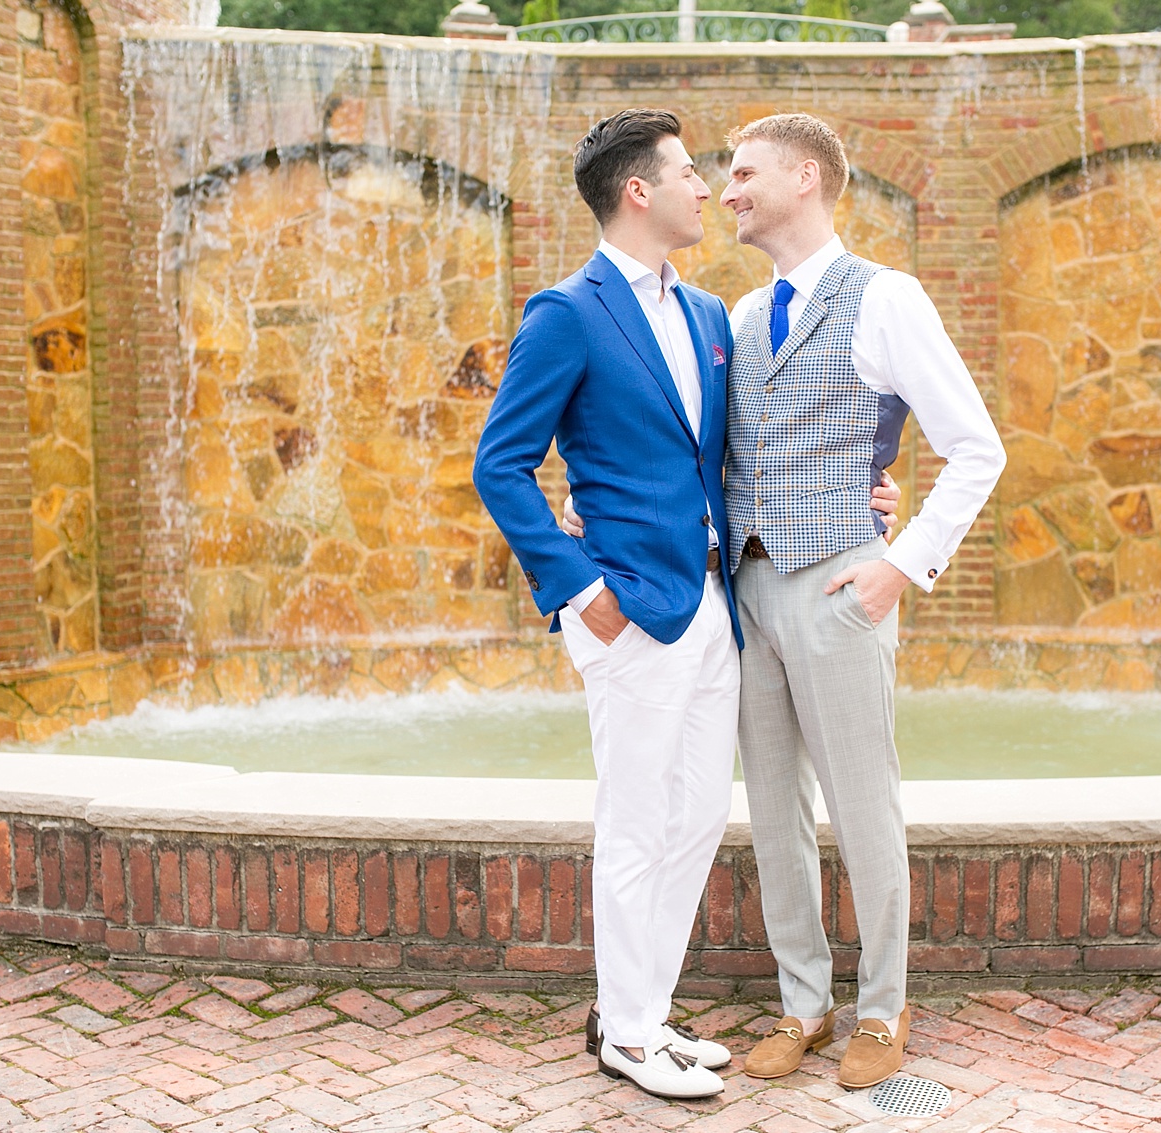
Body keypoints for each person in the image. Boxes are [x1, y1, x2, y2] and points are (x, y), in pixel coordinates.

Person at [719, 113, 1006, 1090]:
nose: (727, 189)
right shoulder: (737, 318)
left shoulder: (886, 298)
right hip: (747, 591)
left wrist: (902, 562)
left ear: (806, 178)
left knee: (860, 804)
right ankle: (803, 1002)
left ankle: (882, 1005)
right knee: (770, 808)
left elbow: (975, 445)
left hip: (841, 582)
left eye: (744, 171)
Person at [472, 108, 739, 1100]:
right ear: (639, 191)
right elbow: (499, 464)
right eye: (687, 172)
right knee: (635, 821)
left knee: (700, 815)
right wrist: (580, 591)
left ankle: (646, 1009)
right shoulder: (566, 312)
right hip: (628, 608)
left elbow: (719, 459)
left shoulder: (709, 314)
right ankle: (626, 1031)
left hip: (716, 605)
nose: (704, 187)